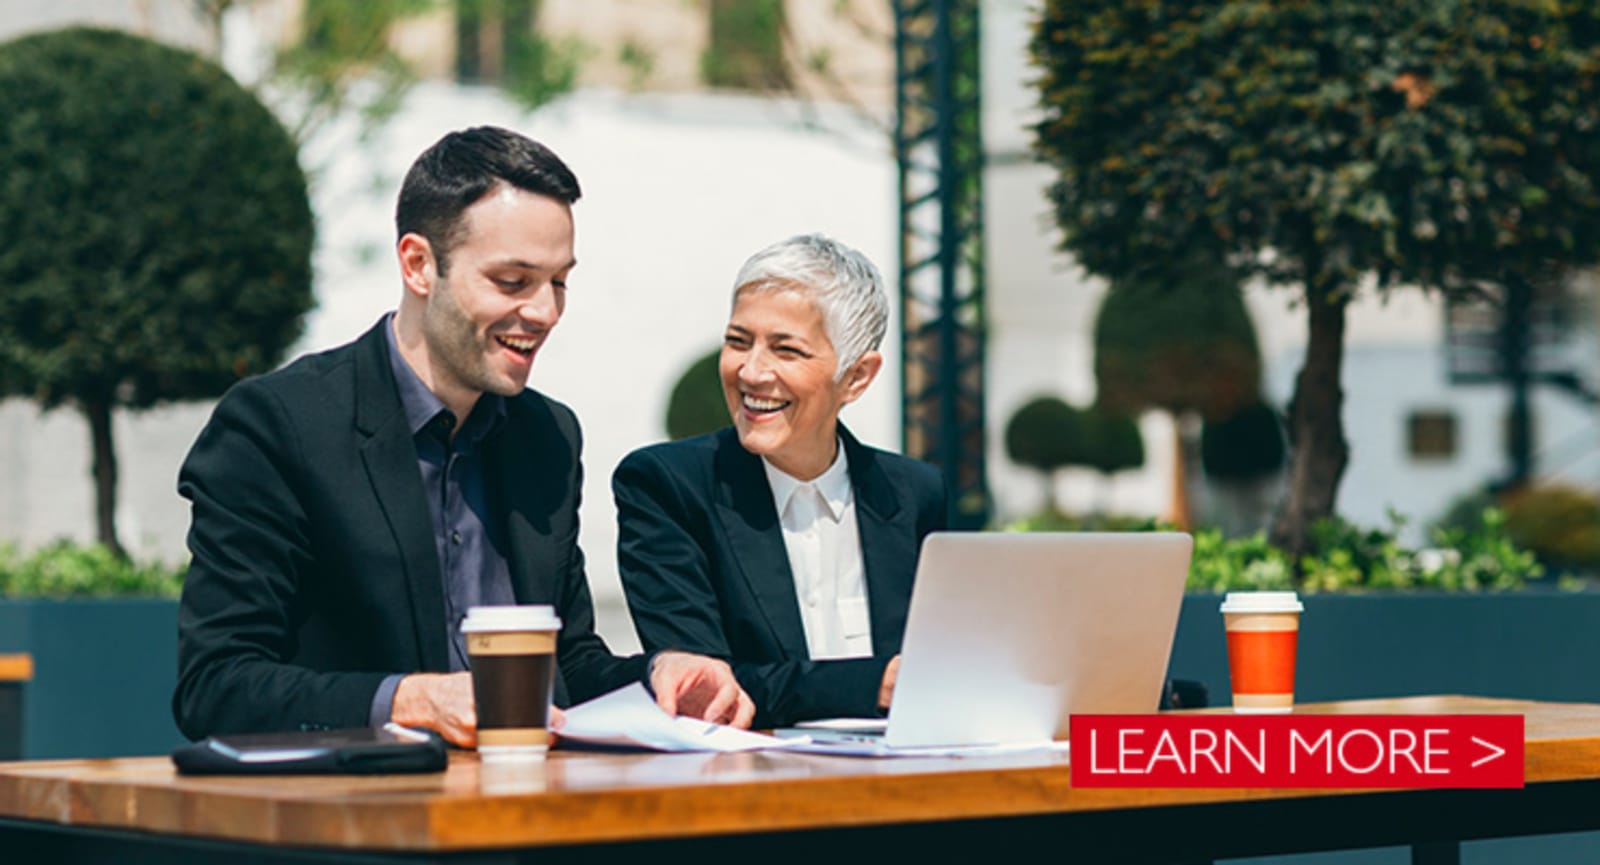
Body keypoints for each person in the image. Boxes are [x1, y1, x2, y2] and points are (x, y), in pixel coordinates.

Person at [173, 126, 753, 746]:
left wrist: (660, 673)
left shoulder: (547, 436)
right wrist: (411, 698)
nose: (546, 311)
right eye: (512, 281)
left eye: (559, 281)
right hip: (356, 820)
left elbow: (569, 664)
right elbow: (216, 686)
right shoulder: (277, 425)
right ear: (419, 265)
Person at [612, 234, 947, 728]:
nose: (751, 371)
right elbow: (703, 685)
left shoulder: (915, 493)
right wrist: (872, 684)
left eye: (785, 350)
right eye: (738, 341)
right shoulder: (665, 487)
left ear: (857, 377)